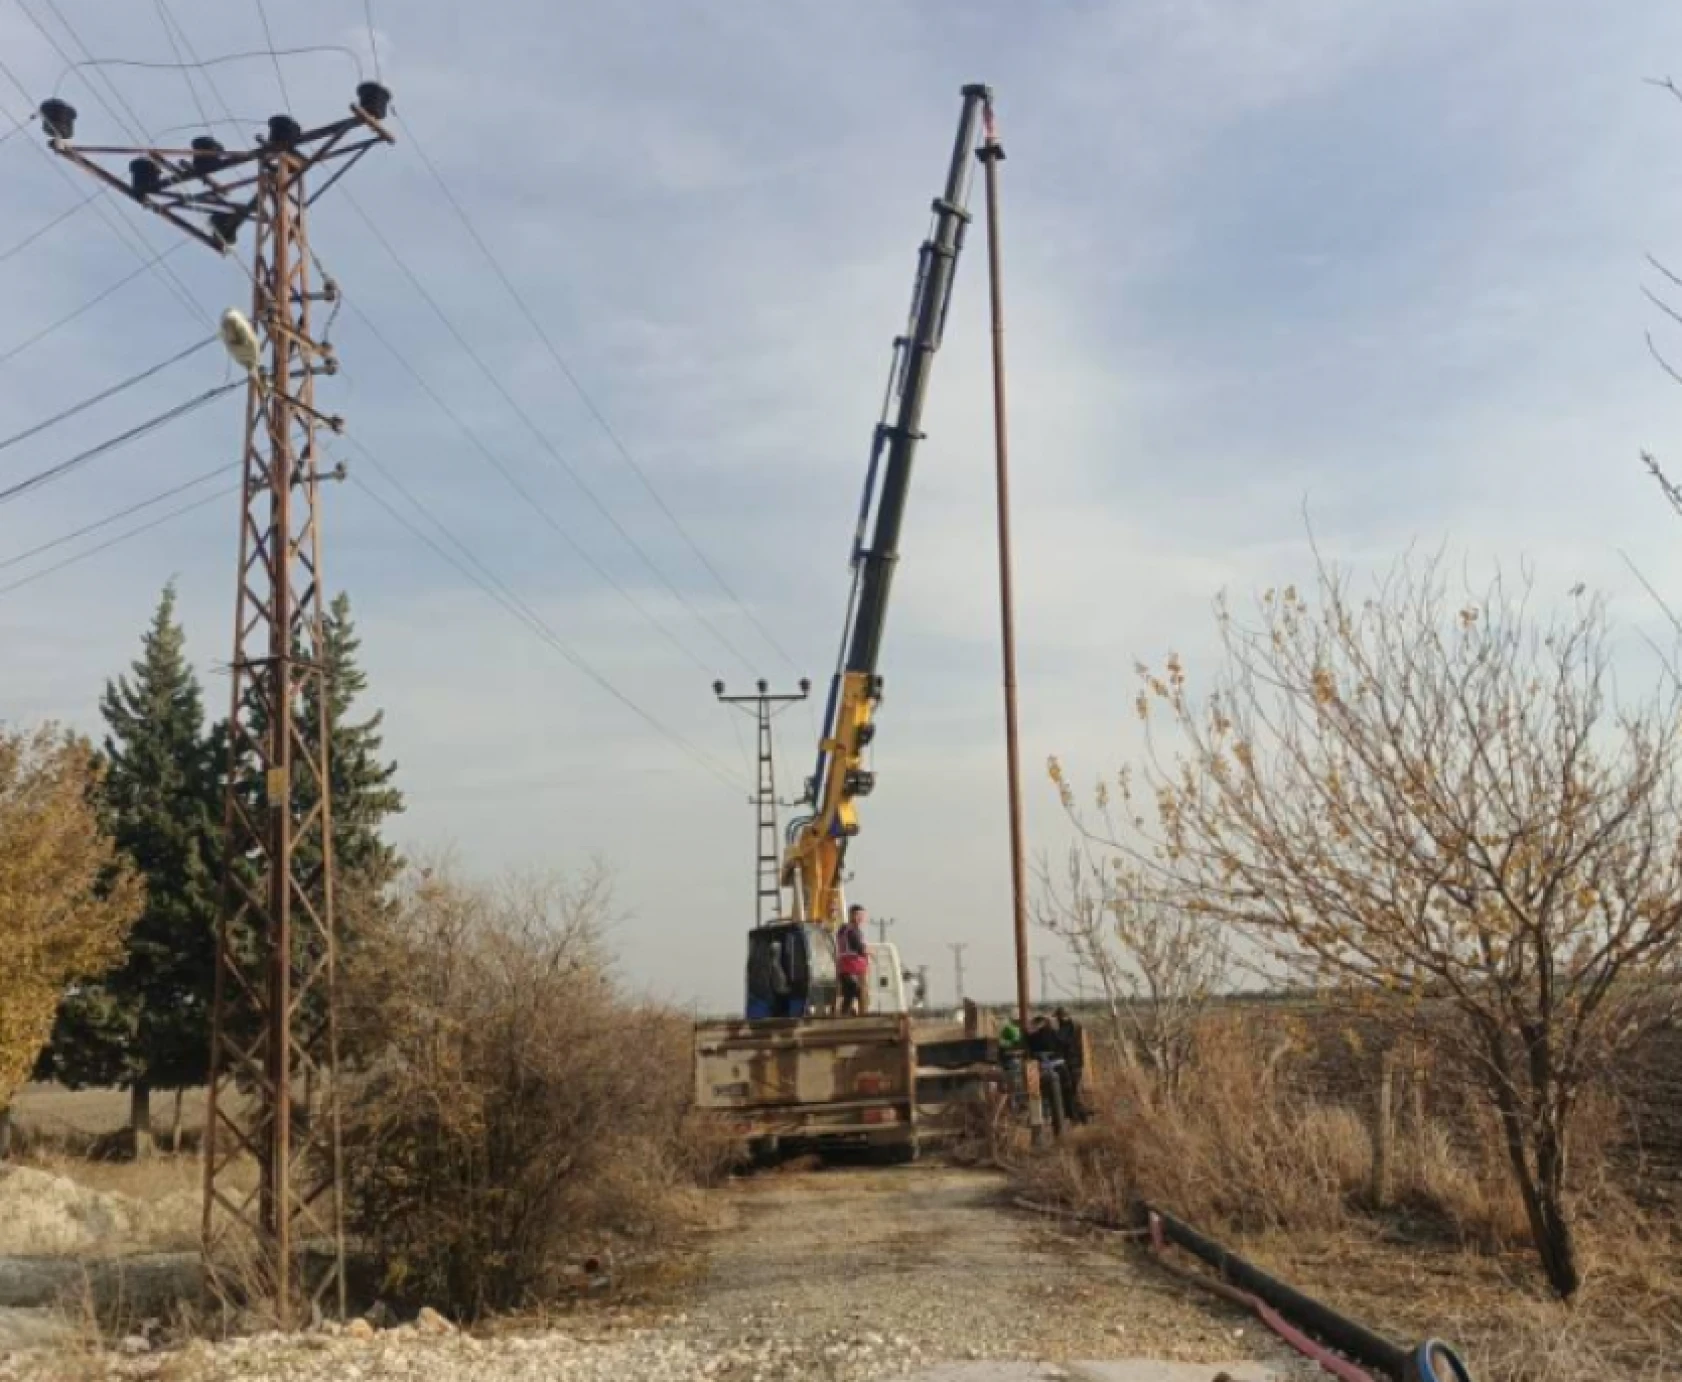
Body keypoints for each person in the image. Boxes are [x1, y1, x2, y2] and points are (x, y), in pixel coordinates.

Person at [836, 904, 871, 1016]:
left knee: (850, 994)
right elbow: (860, 948)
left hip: (848, 967)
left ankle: (847, 1014)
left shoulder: (845, 930)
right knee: (859, 993)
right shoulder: (851, 931)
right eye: (859, 915)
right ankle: (860, 1016)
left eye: (862, 915)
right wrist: (868, 951)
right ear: (852, 915)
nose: (861, 918)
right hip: (853, 967)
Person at [1054, 1006, 1087, 1122]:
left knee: (1071, 1093)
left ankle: (1079, 1118)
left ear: (1061, 1017)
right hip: (1076, 1064)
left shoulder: (1067, 1027)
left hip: (1071, 1064)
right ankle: (1078, 1118)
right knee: (1072, 1092)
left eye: (1057, 1017)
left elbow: (1061, 1041)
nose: (1057, 1020)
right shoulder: (1075, 1026)